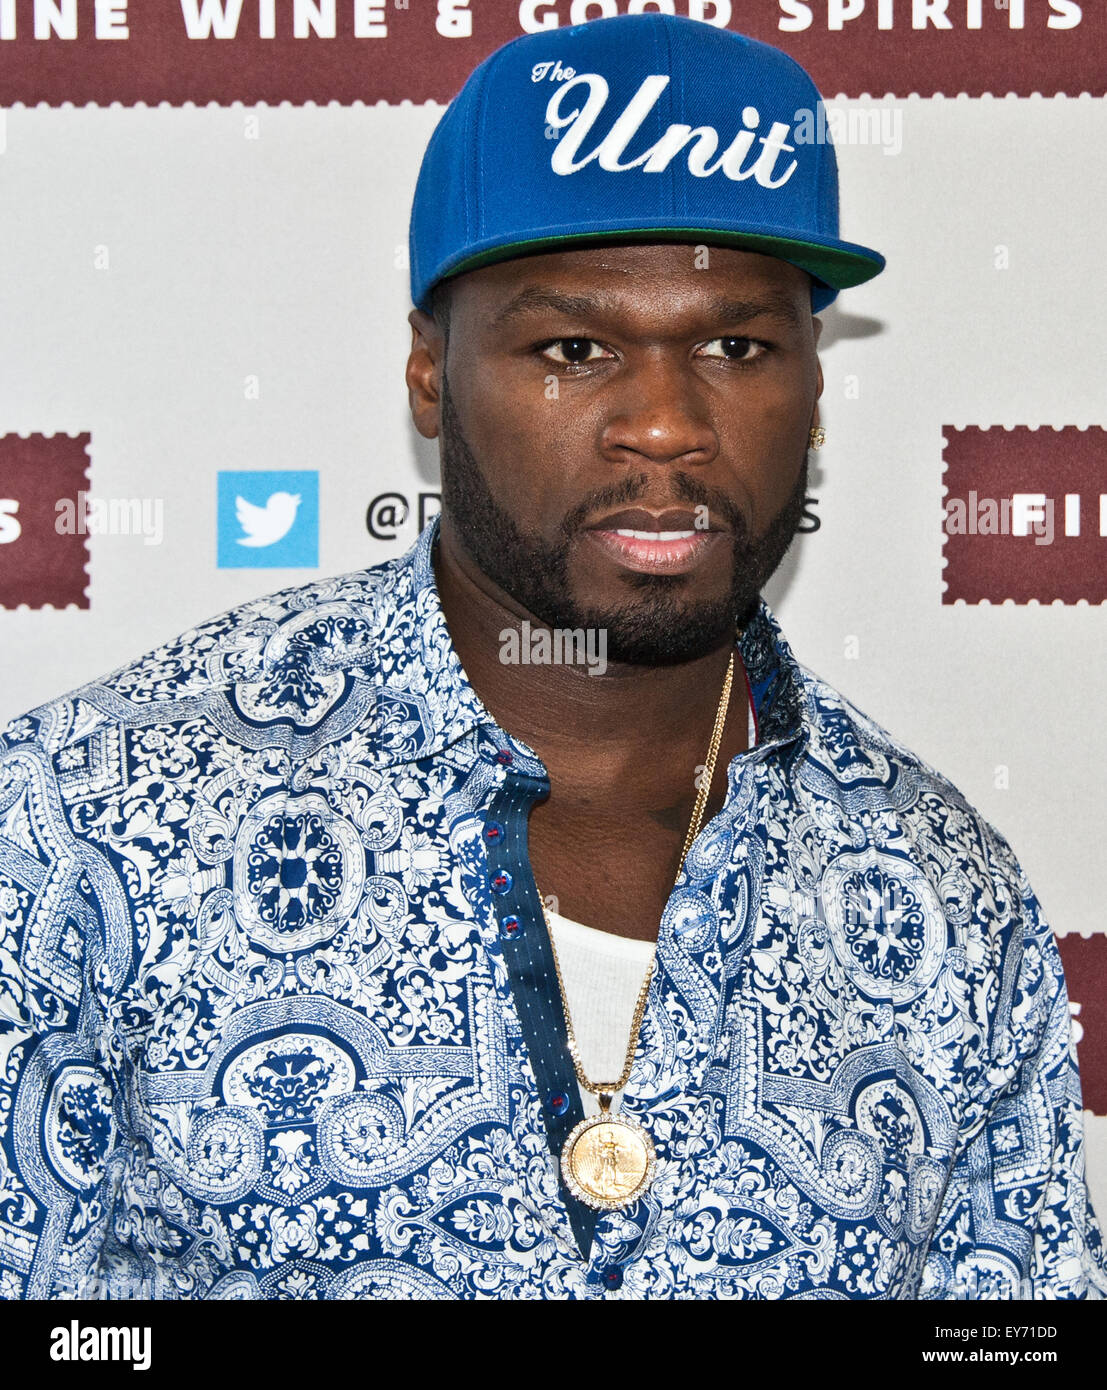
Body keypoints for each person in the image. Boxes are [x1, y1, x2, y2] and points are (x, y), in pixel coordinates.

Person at [0, 13, 1102, 1302]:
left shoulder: (940, 894)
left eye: (735, 346)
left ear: (813, 387)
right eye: (573, 350)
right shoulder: (90, 818)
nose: (664, 424)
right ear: (430, 374)